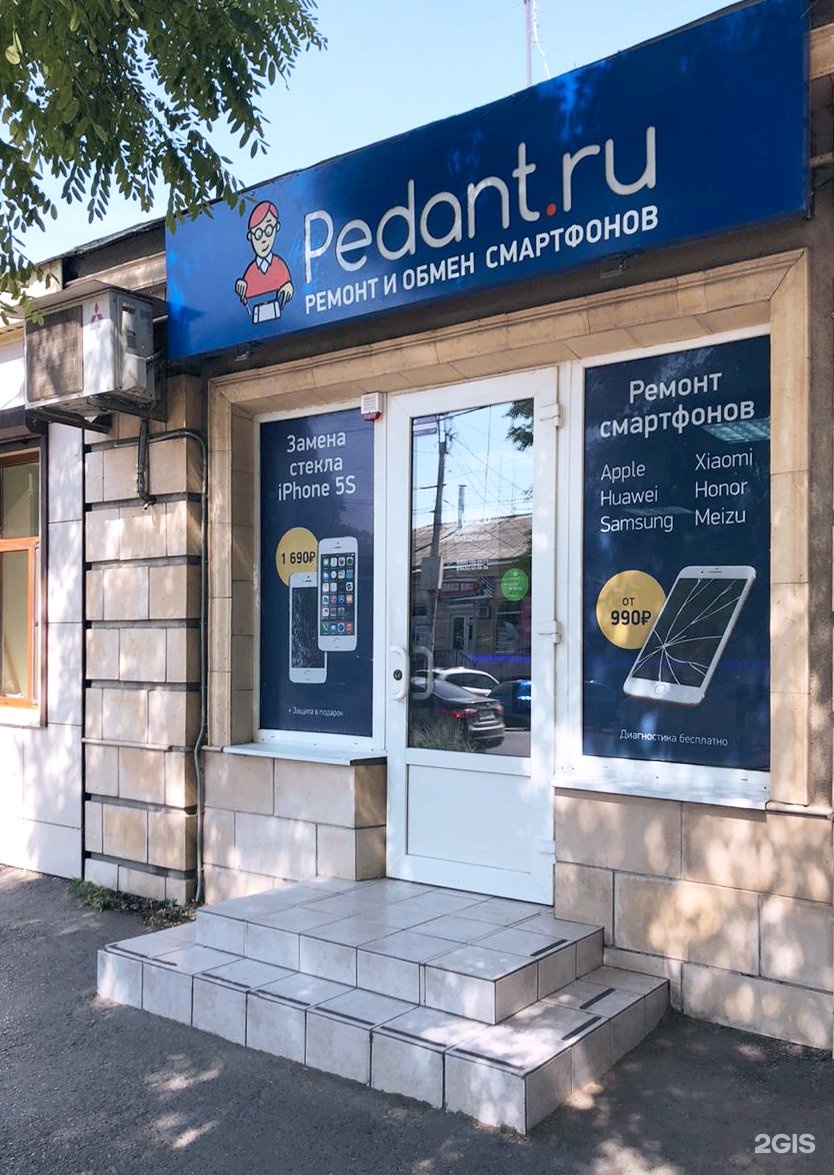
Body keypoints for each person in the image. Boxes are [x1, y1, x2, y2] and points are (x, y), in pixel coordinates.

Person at [234, 200, 294, 324]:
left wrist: (288, 288)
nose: (263, 239)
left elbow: (288, 286)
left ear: (276, 228)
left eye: (268, 231)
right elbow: (245, 304)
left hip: (279, 314)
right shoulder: (250, 272)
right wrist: (241, 290)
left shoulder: (279, 265)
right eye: (258, 234)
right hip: (257, 317)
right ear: (250, 236)